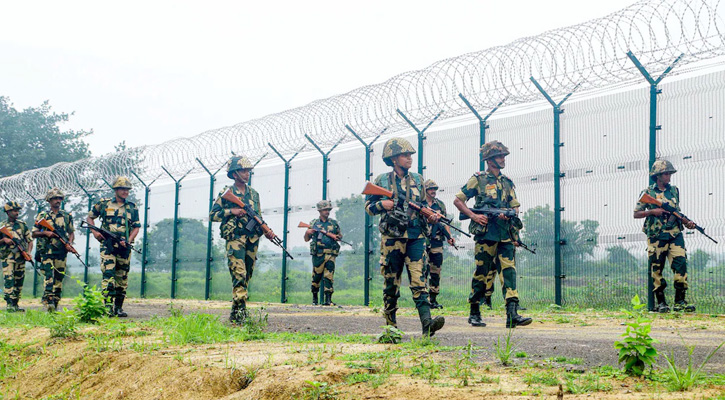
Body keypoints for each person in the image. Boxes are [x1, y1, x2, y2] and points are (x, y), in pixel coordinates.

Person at [365, 137, 445, 337]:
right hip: (392, 238)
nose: (409, 158)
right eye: (405, 155)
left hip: (416, 237)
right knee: (391, 283)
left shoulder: (418, 180)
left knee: (419, 280)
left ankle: (427, 324)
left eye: (410, 155)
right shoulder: (382, 181)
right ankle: (391, 329)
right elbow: (368, 208)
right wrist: (381, 205)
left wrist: (431, 215)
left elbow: (422, 205)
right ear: (393, 159)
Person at [453, 140, 531, 328]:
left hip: (505, 234)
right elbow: (458, 200)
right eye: (499, 156)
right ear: (489, 160)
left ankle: (512, 314)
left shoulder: (507, 182)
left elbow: (515, 205)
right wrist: (474, 215)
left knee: (509, 271)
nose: (503, 159)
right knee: (482, 272)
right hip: (486, 234)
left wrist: (510, 214)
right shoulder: (478, 179)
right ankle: (474, 311)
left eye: (504, 156)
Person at [210, 156, 275, 325]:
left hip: (252, 239)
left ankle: (235, 309)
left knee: (247, 275)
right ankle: (241, 312)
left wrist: (267, 230)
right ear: (234, 173)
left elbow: (258, 216)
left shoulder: (254, 194)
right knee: (239, 273)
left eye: (248, 171)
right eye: (244, 171)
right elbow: (213, 215)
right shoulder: (226, 193)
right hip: (235, 238)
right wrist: (231, 211)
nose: (247, 174)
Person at [634, 160, 697, 313]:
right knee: (657, 268)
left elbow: (676, 211)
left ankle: (680, 302)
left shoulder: (674, 190)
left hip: (675, 234)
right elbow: (636, 214)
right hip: (657, 235)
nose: (669, 176)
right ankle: (661, 303)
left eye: (669, 173)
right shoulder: (648, 192)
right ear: (657, 176)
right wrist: (651, 212)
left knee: (681, 265)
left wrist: (687, 222)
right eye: (666, 173)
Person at [86, 176, 140, 317]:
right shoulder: (104, 204)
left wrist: (128, 240)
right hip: (108, 245)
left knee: (122, 277)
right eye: (122, 189)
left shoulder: (132, 207)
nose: (125, 192)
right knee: (108, 275)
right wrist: (95, 232)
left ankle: (118, 308)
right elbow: (90, 218)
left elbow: (136, 227)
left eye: (127, 189)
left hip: (124, 247)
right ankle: (108, 308)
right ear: (116, 190)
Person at [32, 188, 75, 312]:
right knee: (49, 277)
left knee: (59, 278)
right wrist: (46, 233)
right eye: (55, 198)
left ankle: (55, 302)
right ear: (49, 201)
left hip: (61, 252)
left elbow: (71, 232)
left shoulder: (67, 216)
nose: (57, 201)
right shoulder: (43, 216)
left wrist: (69, 243)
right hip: (47, 251)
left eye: (59, 198)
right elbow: (34, 233)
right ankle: (48, 301)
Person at [422, 179, 455, 309]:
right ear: (425, 190)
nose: (433, 191)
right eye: (431, 189)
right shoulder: (420, 204)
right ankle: (423, 300)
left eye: (435, 189)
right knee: (423, 270)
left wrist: (449, 237)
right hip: (423, 241)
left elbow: (445, 224)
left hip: (437, 242)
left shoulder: (440, 205)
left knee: (436, 270)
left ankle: (433, 299)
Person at [304, 200, 342, 306]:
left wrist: (335, 236)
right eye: (325, 210)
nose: (327, 211)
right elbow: (306, 239)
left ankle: (328, 300)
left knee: (329, 276)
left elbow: (339, 236)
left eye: (328, 210)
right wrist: (308, 232)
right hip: (318, 254)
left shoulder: (333, 223)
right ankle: (314, 299)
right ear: (320, 211)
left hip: (330, 253)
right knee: (316, 276)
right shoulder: (314, 223)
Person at [1, 201, 32, 312]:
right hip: (7, 257)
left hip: (20, 257)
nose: (17, 212)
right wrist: (4, 240)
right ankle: (9, 304)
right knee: (9, 279)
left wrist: (28, 252)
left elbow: (29, 241)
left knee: (19, 280)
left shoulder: (22, 225)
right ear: (8, 212)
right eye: (14, 210)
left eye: (18, 210)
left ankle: (15, 303)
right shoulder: (2, 226)